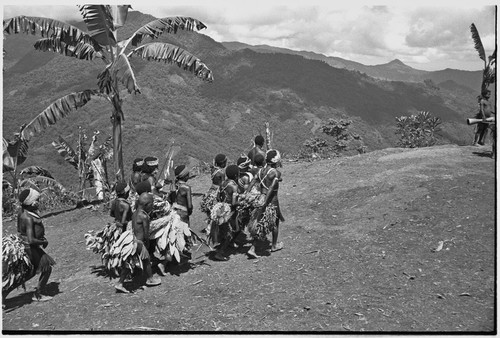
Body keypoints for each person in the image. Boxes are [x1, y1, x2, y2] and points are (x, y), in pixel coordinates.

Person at [5, 188, 56, 302]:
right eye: (37, 199)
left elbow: (20, 230)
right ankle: (38, 294)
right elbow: (31, 239)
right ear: (31, 203)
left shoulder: (24, 212)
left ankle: (3, 294)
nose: (39, 201)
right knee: (45, 268)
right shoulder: (27, 217)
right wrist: (43, 242)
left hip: (28, 245)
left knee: (30, 272)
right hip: (30, 246)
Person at [114, 192, 161, 293]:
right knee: (147, 259)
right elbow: (146, 232)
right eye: (152, 204)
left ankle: (120, 283)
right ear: (147, 205)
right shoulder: (144, 216)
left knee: (129, 263)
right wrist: (147, 243)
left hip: (133, 241)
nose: (152, 206)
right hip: (139, 243)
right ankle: (150, 279)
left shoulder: (135, 213)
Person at [246, 149, 285, 258]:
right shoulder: (275, 172)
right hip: (271, 200)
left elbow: (253, 181)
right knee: (275, 222)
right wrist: (265, 203)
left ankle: (252, 247)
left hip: (260, 198)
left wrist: (246, 194)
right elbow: (272, 188)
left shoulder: (260, 171)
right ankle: (274, 245)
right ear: (276, 161)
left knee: (259, 222)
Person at [211, 164, 240, 261]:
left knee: (225, 230)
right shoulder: (234, 186)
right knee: (230, 233)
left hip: (222, 209)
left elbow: (219, 196)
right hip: (229, 212)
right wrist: (243, 201)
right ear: (236, 176)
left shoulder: (223, 183)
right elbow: (234, 202)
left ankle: (228, 244)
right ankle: (220, 253)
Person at [200, 154, 227, 233]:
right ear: (222, 164)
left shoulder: (213, 170)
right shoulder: (221, 173)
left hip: (211, 190)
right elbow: (222, 185)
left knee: (211, 209)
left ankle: (210, 227)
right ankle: (211, 229)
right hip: (216, 192)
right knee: (215, 210)